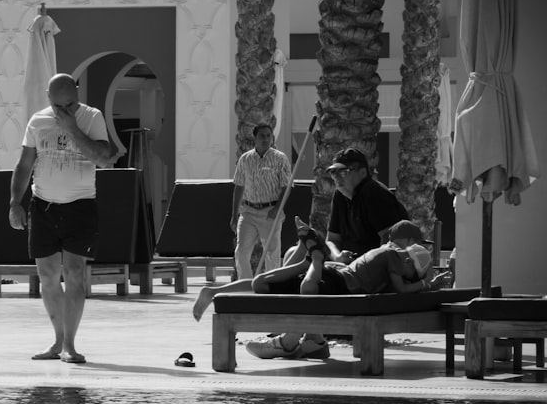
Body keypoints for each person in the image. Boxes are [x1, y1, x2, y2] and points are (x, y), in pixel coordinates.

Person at [192, 219, 450, 360]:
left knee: (261, 283)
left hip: (335, 273)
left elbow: (388, 282)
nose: (416, 249)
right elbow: (401, 288)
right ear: (405, 243)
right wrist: (427, 283)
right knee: (305, 288)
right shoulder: (393, 254)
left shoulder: (384, 253)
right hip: (335, 278)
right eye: (415, 243)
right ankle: (312, 260)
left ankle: (216, 292)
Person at [9, 73, 113, 364]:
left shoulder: (92, 118)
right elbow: (24, 163)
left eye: (70, 105)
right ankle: (57, 340)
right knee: (48, 277)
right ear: (48, 97)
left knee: (76, 275)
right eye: (58, 106)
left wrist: (72, 128)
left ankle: (70, 344)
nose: (64, 111)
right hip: (43, 206)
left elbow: (103, 158)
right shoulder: (37, 121)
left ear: (77, 95)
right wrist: (15, 202)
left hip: (80, 205)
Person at [283, 147, 410, 266]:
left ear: (362, 172)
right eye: (333, 172)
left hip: (371, 265)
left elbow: (388, 243)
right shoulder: (340, 194)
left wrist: (360, 266)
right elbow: (332, 240)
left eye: (344, 172)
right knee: (292, 252)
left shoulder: (374, 193)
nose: (337, 177)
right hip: (346, 262)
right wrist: (338, 257)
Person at [230, 123, 292, 278]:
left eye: (268, 136)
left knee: (272, 251)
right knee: (241, 251)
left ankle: (270, 286)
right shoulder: (245, 159)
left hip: (270, 211)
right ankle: (245, 285)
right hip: (248, 211)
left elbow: (286, 187)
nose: (265, 139)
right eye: (262, 136)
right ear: (255, 138)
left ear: (272, 138)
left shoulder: (280, 158)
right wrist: (234, 214)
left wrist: (277, 209)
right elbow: (239, 186)